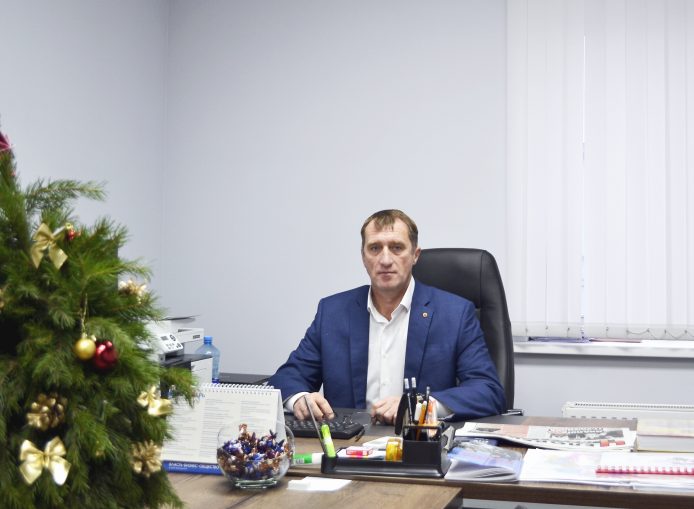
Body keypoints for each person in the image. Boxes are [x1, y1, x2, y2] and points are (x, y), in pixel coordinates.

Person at [268, 209, 506, 424]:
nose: (385, 259)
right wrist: (299, 399)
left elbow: (488, 391)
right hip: (348, 446)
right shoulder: (333, 312)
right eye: (374, 248)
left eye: (396, 248)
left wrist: (420, 407)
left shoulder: (455, 314)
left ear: (415, 255)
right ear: (363, 257)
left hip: (418, 443)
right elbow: (287, 378)